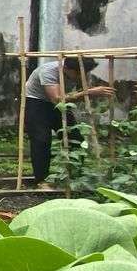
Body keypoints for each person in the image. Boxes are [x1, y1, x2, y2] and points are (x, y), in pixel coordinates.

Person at [24, 54, 112, 183]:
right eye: (78, 73)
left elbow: (79, 91)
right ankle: (41, 180)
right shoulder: (48, 71)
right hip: (37, 102)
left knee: (75, 138)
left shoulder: (80, 71)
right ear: (66, 68)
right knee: (41, 140)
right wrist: (87, 93)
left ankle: (75, 176)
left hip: (62, 103)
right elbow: (57, 99)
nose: (82, 76)